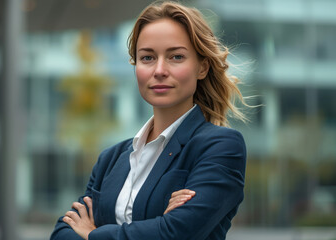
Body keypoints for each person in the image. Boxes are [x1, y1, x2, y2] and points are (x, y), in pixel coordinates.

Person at [50, 1, 247, 239]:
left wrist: (93, 234)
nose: (160, 70)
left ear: (202, 68)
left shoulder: (220, 147)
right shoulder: (111, 159)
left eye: (176, 56)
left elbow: (174, 233)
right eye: (147, 58)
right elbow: (62, 233)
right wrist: (156, 224)